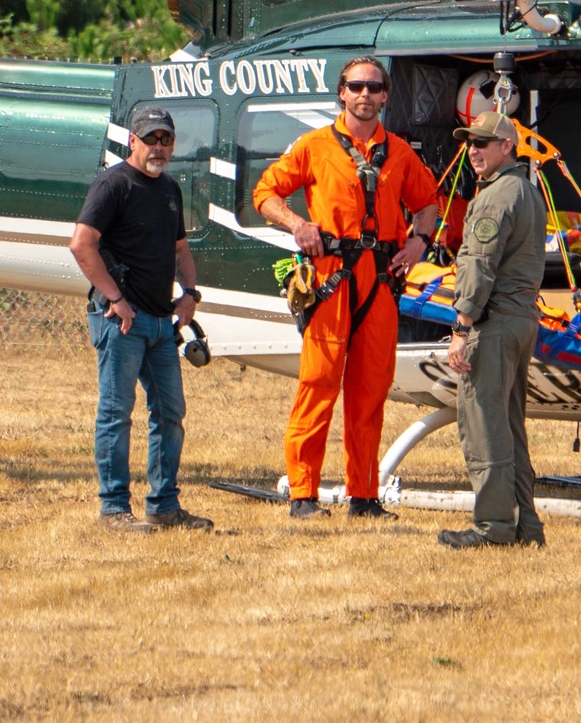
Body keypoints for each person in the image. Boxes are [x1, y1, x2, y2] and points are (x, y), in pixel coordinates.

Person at [253, 56, 440, 521]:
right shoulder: (314, 146)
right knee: (318, 385)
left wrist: (419, 241)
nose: (365, 95)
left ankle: (364, 496)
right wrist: (298, 225)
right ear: (342, 92)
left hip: (380, 283)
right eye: (356, 86)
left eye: (374, 87)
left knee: (370, 392)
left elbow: (428, 203)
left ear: (385, 95)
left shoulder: (399, 152)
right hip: (331, 281)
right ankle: (303, 494)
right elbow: (265, 194)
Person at [67, 106, 213, 533]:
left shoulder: (169, 188)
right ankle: (113, 509)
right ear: (132, 141)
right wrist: (116, 298)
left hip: (161, 322)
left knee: (170, 412)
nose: (158, 147)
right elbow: (81, 244)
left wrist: (189, 295)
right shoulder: (113, 184)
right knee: (116, 413)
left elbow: (180, 249)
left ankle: (164, 506)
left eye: (166, 140)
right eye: (150, 139)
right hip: (122, 321)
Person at [438, 110, 548, 549]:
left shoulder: (496, 196)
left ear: (507, 146)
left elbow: (479, 265)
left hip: (496, 322)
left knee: (484, 424)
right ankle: (526, 526)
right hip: (521, 319)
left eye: (482, 142)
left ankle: (493, 526)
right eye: (470, 142)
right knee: (510, 426)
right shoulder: (526, 191)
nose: (473, 150)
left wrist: (461, 326)